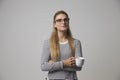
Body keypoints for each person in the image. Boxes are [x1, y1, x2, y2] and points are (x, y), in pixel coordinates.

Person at [41, 10, 84, 80]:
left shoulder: (76, 43)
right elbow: (43, 66)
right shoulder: (48, 43)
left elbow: (79, 67)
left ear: (68, 22)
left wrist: (54, 64)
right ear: (54, 24)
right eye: (59, 20)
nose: (63, 22)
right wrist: (64, 63)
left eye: (65, 20)